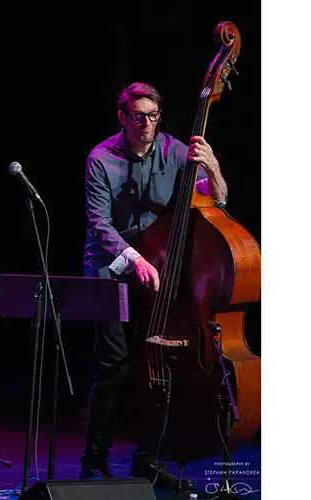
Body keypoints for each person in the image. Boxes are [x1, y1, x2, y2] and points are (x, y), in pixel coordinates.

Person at [80, 82, 228, 489]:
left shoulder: (175, 151)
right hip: (110, 268)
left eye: (152, 116)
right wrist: (135, 258)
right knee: (114, 365)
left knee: (156, 364)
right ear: (122, 117)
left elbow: (216, 201)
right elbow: (99, 224)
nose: (145, 124)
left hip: (159, 269)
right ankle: (94, 460)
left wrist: (212, 167)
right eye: (137, 116)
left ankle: (148, 458)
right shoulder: (100, 158)